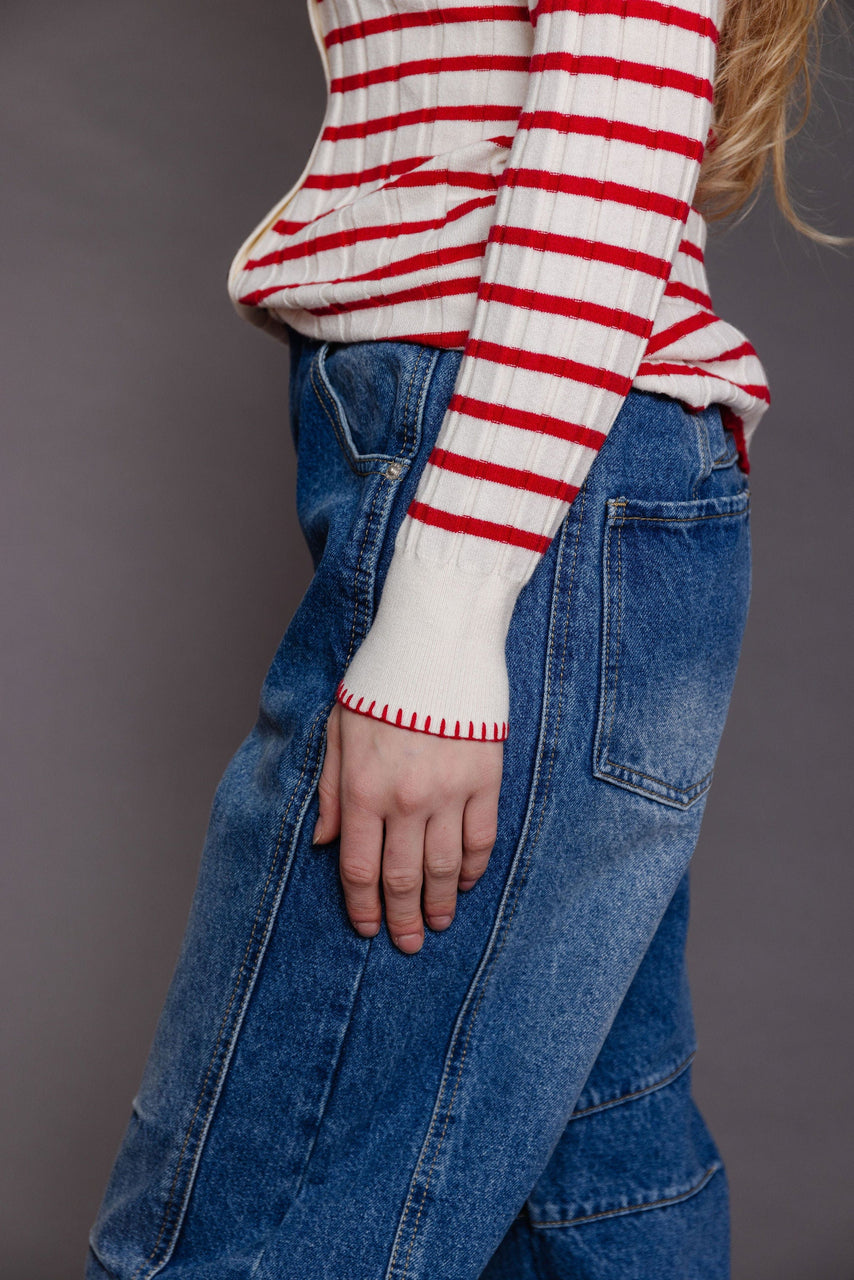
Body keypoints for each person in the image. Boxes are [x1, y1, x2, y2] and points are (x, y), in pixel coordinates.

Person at [85, 1, 849, 1277]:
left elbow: (614, 115)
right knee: (595, 1191)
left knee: (238, 1233)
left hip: (500, 482)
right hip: (545, 473)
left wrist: (448, 598)